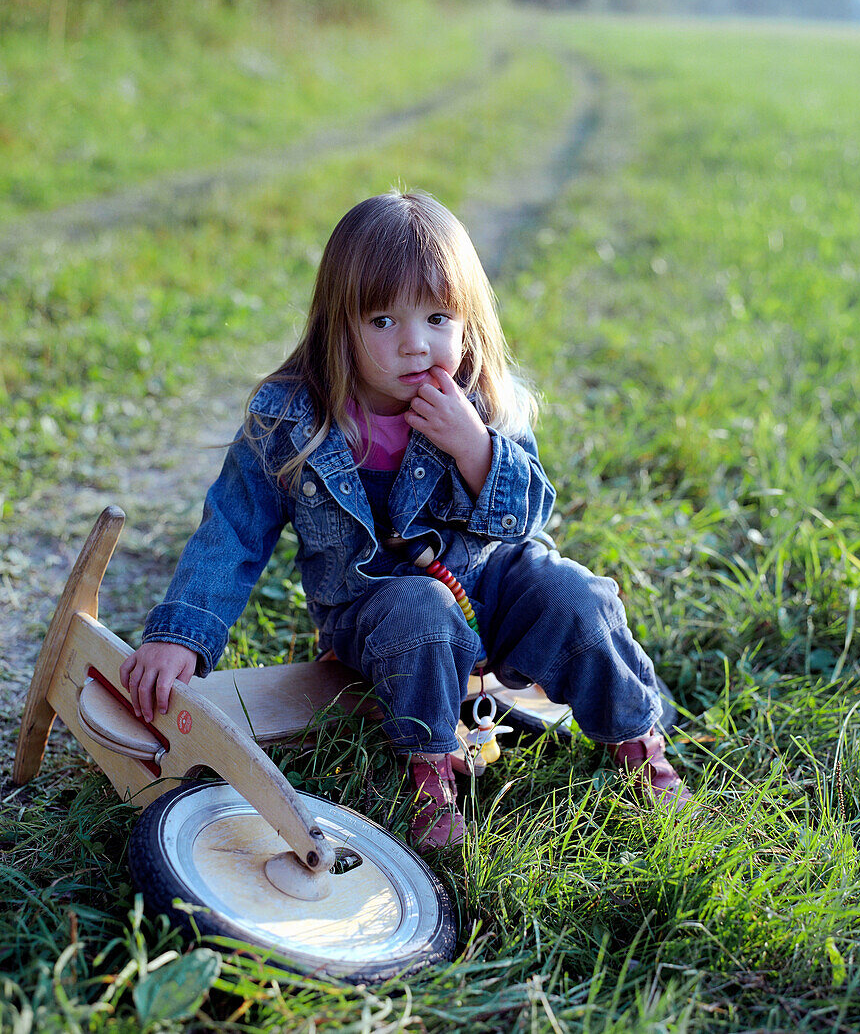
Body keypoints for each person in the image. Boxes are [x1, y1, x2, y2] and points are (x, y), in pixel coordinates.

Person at [120, 189, 690, 850]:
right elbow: (234, 529)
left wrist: (476, 448)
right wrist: (182, 634)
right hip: (380, 614)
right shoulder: (292, 418)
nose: (415, 345)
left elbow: (531, 514)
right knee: (419, 610)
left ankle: (637, 744)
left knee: (579, 598)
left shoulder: (482, 397)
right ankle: (432, 770)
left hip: (491, 586)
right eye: (383, 321)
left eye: (439, 318)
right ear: (341, 323)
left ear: (468, 318)